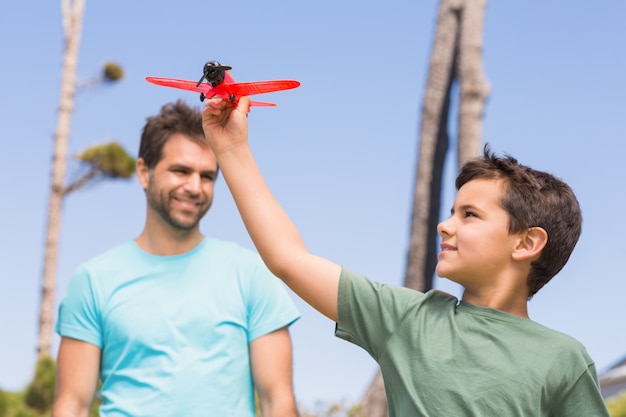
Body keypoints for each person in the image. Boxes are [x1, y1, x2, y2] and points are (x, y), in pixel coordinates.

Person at [201, 95, 611, 416]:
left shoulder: (564, 360)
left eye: (470, 215)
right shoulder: (408, 319)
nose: (445, 225)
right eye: (452, 211)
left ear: (526, 243)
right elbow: (287, 258)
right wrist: (232, 147)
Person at [53, 100, 300, 417]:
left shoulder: (251, 273)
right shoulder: (92, 280)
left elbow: (278, 400)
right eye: (181, 171)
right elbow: (71, 404)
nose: (195, 187)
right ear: (144, 172)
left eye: (207, 176)